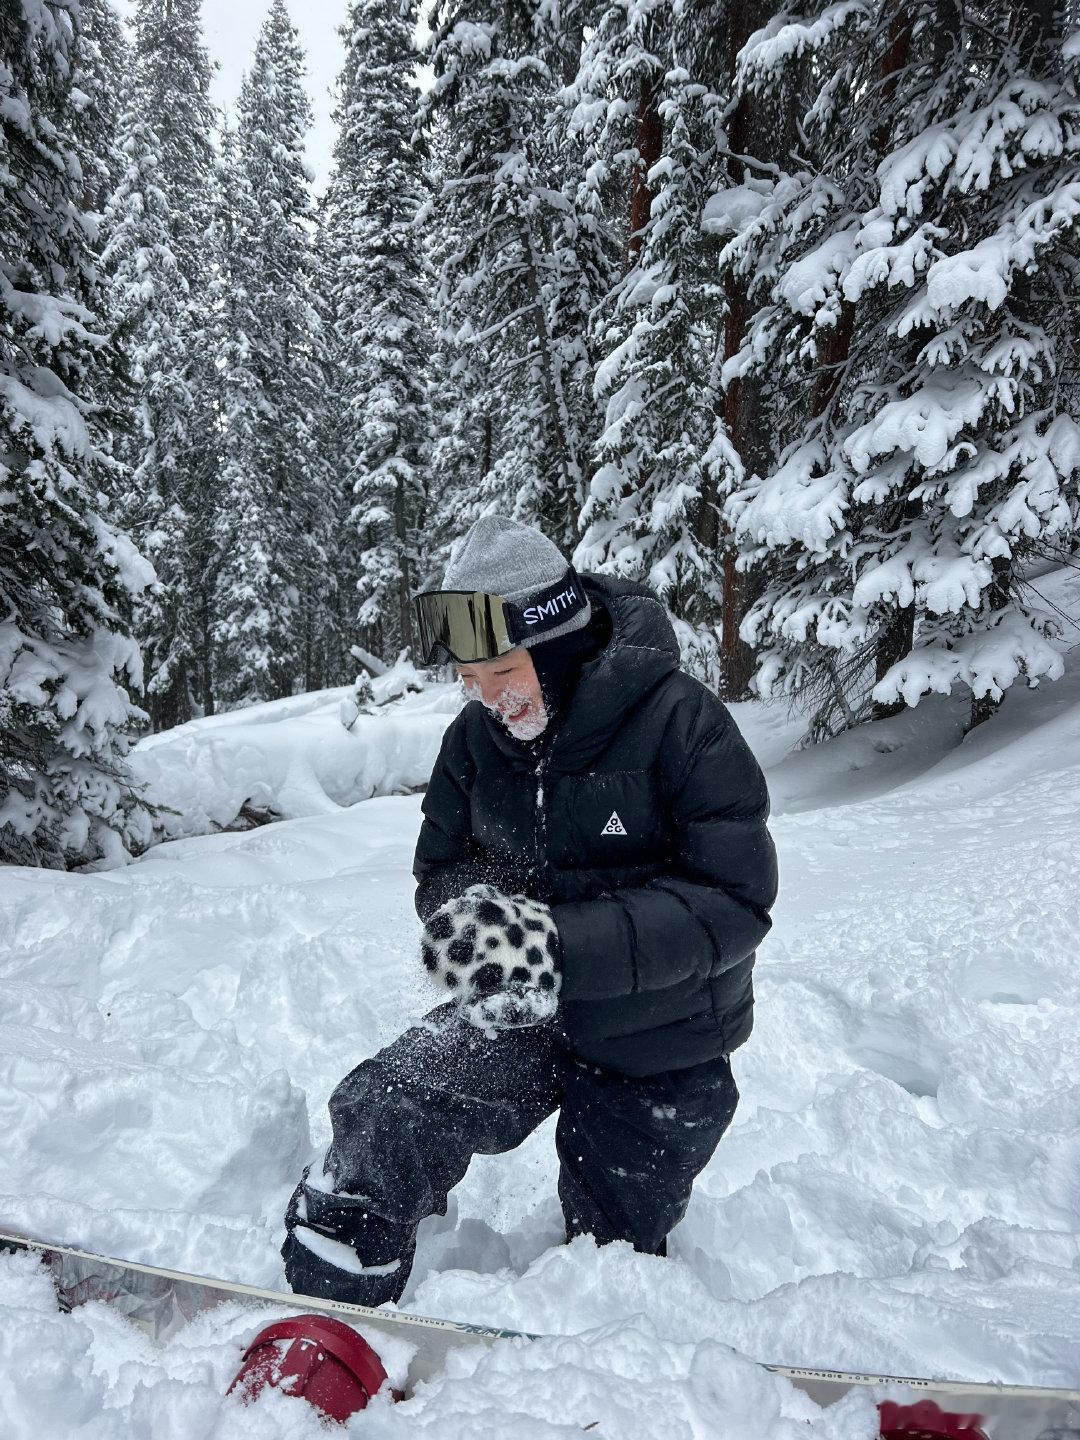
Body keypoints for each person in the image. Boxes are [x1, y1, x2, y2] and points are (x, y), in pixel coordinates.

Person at [281, 516, 778, 1304]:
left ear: (556, 644)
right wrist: (470, 923)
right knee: (398, 1097)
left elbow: (733, 900)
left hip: (661, 1034)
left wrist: (555, 944)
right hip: (524, 1006)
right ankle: (341, 1248)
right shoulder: (477, 740)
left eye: (502, 671)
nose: (485, 696)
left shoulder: (682, 724)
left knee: (611, 1255)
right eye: (471, 678)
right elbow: (443, 867)